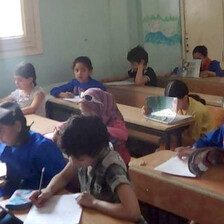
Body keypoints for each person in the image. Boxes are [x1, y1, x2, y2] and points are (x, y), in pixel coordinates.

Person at [30, 115, 145, 223]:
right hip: (98, 217)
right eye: (71, 156)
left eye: (79, 159)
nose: (73, 162)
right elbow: (64, 176)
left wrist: (94, 203)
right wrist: (48, 190)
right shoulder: (81, 155)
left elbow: (133, 212)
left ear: (96, 152)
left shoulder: (111, 167)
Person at [0, 102, 66, 198]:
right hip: (11, 193)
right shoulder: (6, 142)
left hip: (35, 199)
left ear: (17, 126)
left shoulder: (43, 148)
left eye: (0, 130)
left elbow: (62, 182)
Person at [52, 88, 130, 165]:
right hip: (95, 157)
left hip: (118, 160)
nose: (85, 116)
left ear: (100, 108)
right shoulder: (87, 119)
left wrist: (98, 128)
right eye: (83, 112)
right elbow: (66, 123)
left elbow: (124, 134)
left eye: (89, 113)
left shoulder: (114, 119)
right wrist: (60, 129)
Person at [143, 80, 216, 145]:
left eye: (174, 101)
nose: (171, 104)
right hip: (185, 138)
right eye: (169, 101)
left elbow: (194, 140)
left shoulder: (197, 112)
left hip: (207, 144)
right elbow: (160, 112)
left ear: (185, 98)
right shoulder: (179, 104)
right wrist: (149, 111)